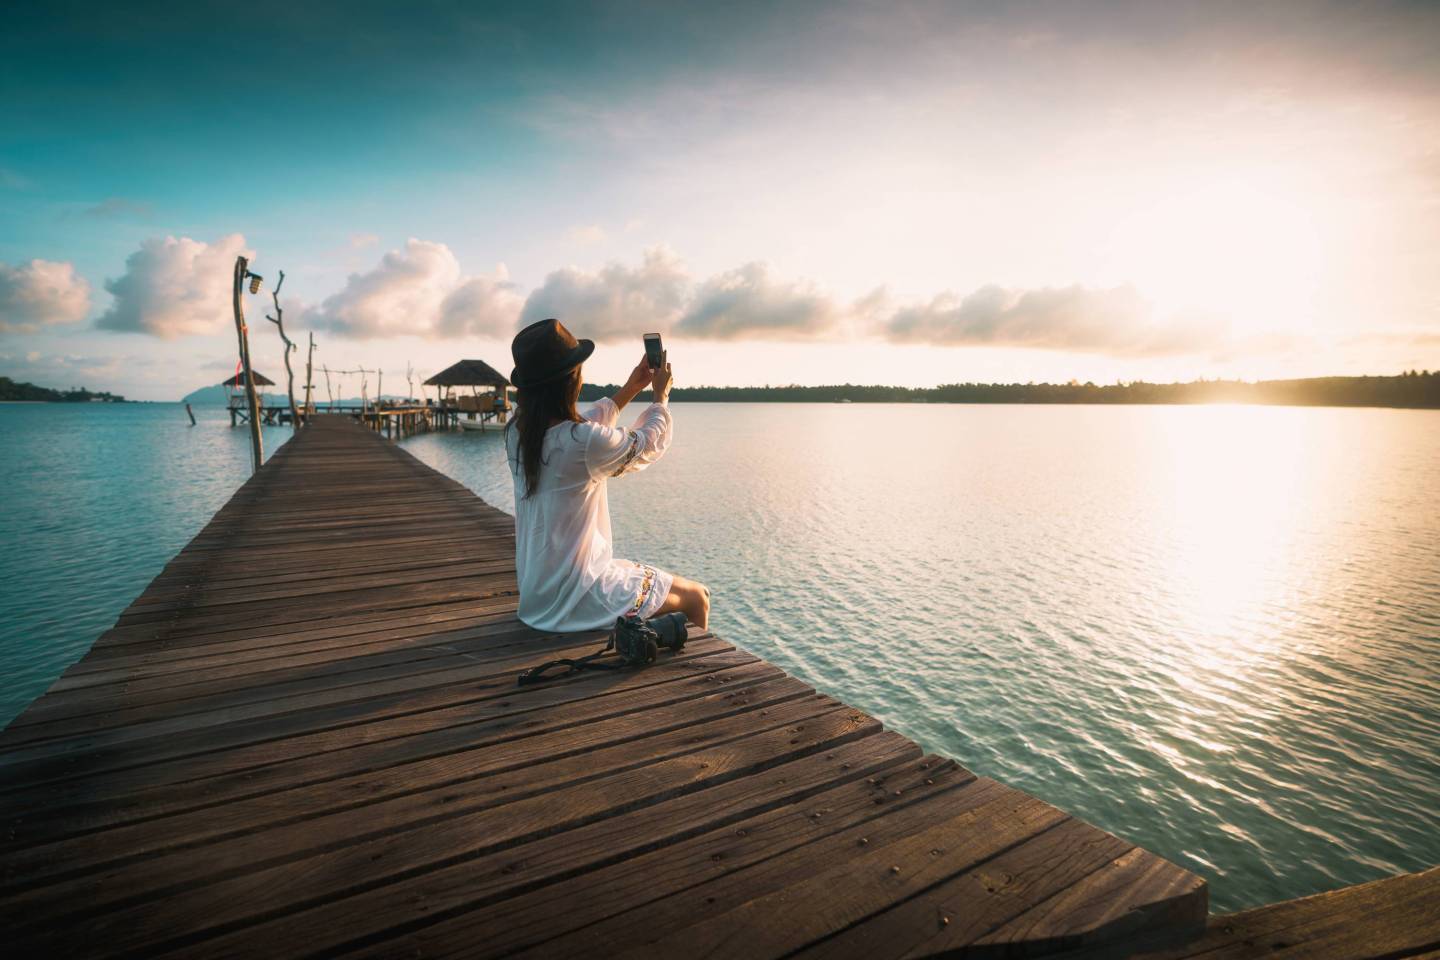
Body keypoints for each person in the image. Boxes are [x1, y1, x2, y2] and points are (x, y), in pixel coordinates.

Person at [504, 317, 710, 633]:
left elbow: (584, 428)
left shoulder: (516, 434)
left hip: (537, 599)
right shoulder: (582, 443)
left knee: (652, 584)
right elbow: (646, 443)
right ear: (571, 381)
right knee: (697, 596)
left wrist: (632, 387)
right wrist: (660, 397)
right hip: (577, 598)